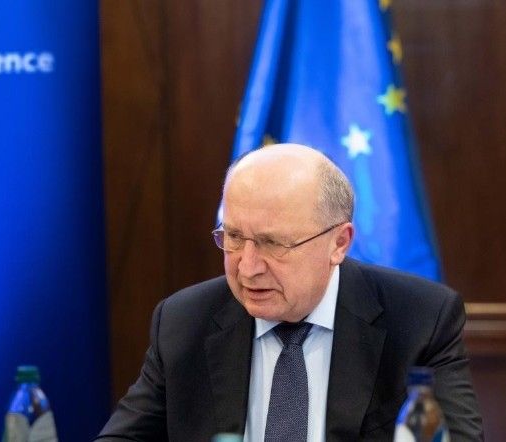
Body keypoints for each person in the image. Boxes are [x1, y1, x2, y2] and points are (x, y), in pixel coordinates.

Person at [96, 144, 483, 441]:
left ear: (339, 243)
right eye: (234, 237)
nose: (247, 267)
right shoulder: (184, 322)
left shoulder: (419, 320)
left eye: (273, 243)